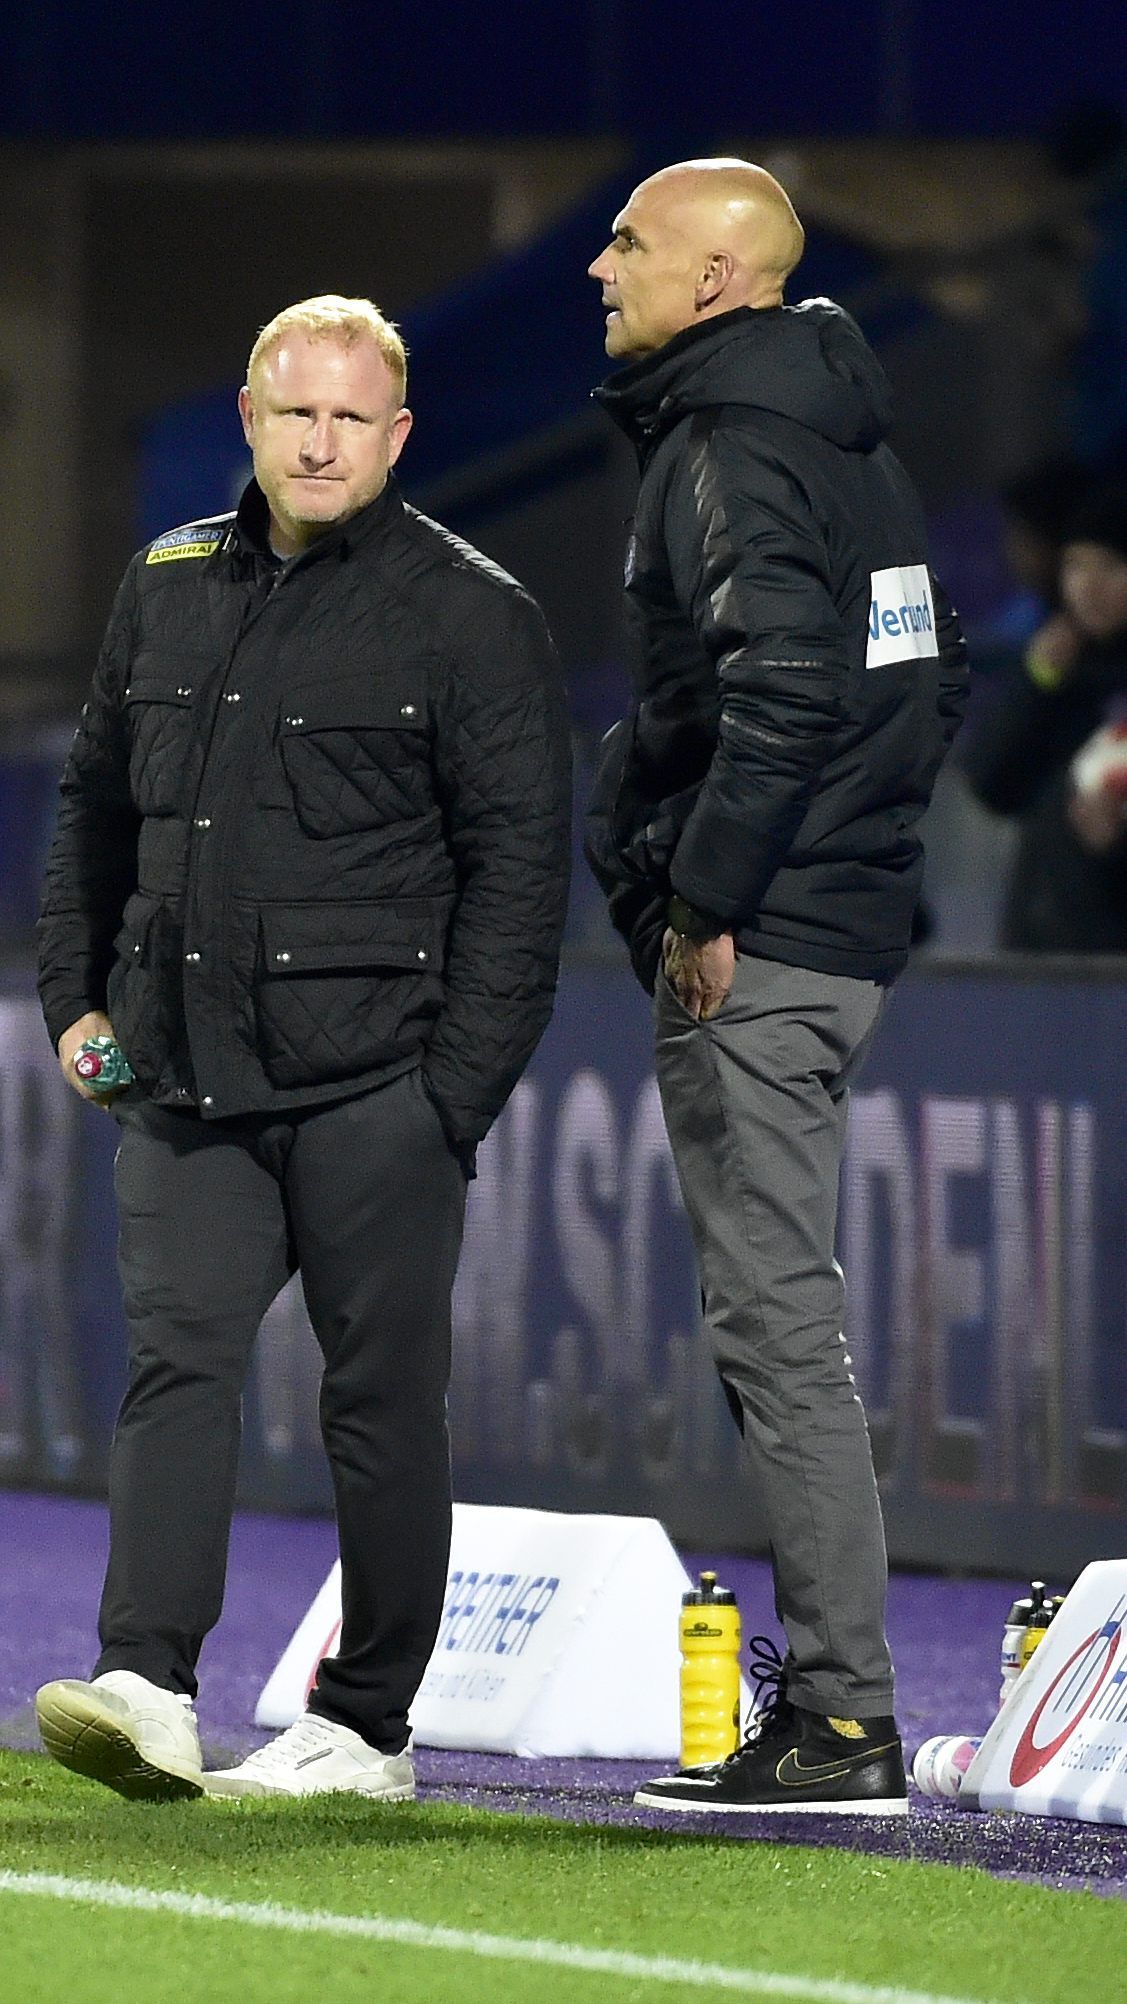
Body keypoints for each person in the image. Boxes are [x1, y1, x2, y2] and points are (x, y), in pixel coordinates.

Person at [35, 295, 572, 1802]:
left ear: (397, 438)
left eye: (351, 418)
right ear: (251, 427)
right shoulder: (168, 579)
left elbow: (520, 876)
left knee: (380, 1403)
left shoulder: (471, 611)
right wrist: (76, 1002)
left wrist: (445, 1099)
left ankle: (368, 1724)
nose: (319, 441)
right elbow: (90, 808)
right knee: (175, 1366)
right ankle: (146, 1677)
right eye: (293, 413)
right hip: (180, 1076)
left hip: (373, 1089)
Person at [585, 160, 968, 1813]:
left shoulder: (733, 442)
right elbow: (926, 679)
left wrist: (713, 890)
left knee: (777, 1326)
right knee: (780, 1316)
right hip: (842, 918)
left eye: (630, 242)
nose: (600, 266)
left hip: (768, 936)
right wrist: (857, 866)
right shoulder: (847, 437)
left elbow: (788, 686)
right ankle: (832, 1704)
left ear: (720, 277)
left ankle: (841, 1718)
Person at [963, 483, 1127, 951]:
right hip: (1041, 953)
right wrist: (1037, 683)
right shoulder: (1053, 670)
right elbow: (991, 784)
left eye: (1110, 567)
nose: (1088, 586)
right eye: (1076, 565)